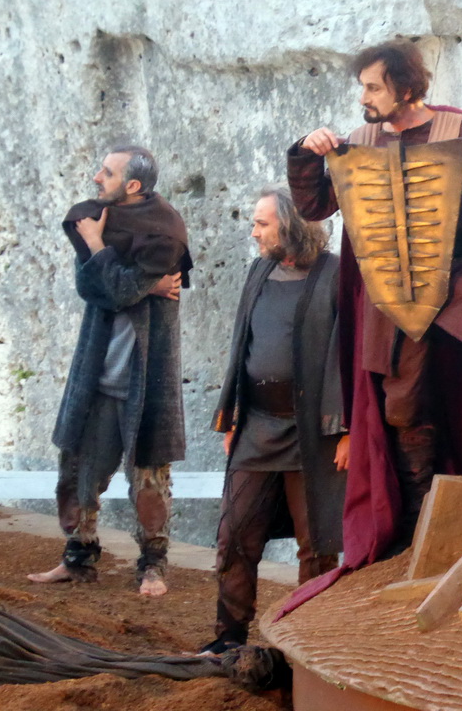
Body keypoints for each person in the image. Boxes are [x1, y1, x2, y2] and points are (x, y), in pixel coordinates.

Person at [287, 39, 462, 567]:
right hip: (390, 293)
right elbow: (315, 208)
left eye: (373, 87)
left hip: (457, 276)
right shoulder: (358, 140)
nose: (364, 98)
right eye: (363, 88)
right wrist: (309, 153)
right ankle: (419, 520)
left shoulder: (458, 128)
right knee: (403, 404)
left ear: (406, 87)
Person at [28, 145, 192, 596]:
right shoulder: (97, 218)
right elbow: (92, 286)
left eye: (107, 172)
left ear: (133, 185)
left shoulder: (164, 232)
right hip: (98, 376)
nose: (97, 177)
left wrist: (102, 250)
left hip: (145, 378)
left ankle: (153, 567)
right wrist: (139, 284)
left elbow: (117, 288)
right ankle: (78, 560)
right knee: (80, 469)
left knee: (149, 480)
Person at [199, 185, 347, 655]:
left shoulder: (337, 275)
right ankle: (229, 638)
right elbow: (243, 344)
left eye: (262, 223)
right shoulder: (259, 271)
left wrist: (349, 431)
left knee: (316, 546)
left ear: (292, 224)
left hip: (314, 434)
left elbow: (349, 357)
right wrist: (235, 415)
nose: (254, 232)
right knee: (235, 535)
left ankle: (309, 644)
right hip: (257, 427)